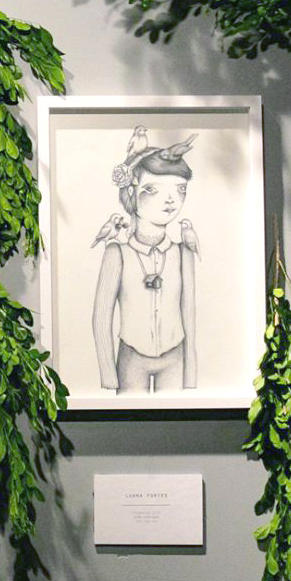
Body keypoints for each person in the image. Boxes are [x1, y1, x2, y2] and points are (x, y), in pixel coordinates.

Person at [91, 128, 199, 393]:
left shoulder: (183, 253)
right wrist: (108, 375)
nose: (171, 200)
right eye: (153, 189)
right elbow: (101, 316)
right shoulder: (117, 253)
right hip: (131, 357)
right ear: (131, 193)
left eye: (180, 189)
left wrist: (191, 378)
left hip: (175, 357)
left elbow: (189, 316)